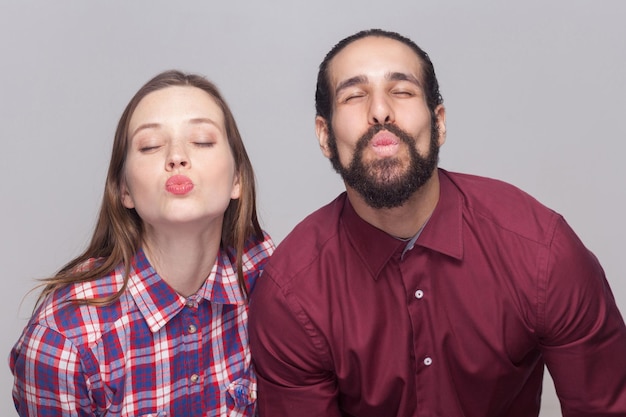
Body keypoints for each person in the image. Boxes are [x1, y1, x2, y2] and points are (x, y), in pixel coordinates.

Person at [248, 29, 626, 416]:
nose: (380, 111)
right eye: (354, 95)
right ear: (325, 136)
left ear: (439, 122)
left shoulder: (542, 252)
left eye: (402, 91)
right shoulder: (290, 295)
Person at [10, 70, 274, 416]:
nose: (177, 157)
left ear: (237, 179)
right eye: (150, 146)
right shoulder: (63, 340)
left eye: (202, 141)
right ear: (125, 190)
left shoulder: (269, 275)